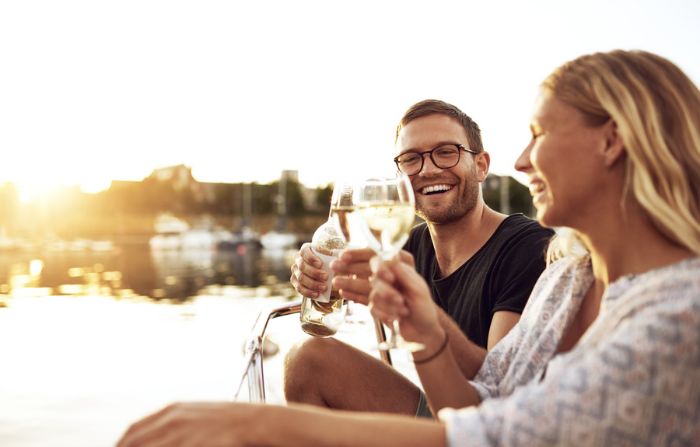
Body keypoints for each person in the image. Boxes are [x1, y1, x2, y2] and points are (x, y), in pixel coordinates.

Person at [117, 49, 700, 446]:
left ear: (613, 141)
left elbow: (496, 435)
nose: (524, 162)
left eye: (540, 135)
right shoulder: (569, 274)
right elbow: (488, 395)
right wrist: (425, 330)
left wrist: (256, 426)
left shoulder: (679, 318)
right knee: (308, 357)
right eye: (409, 159)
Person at [285, 99, 553, 416]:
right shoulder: (409, 245)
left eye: (446, 152)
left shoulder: (528, 248)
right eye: (411, 159)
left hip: (488, 425)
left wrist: (423, 320)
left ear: (481, 165)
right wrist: (317, 276)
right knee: (307, 360)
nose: (427, 169)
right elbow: (344, 288)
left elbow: (501, 388)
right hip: (440, 412)